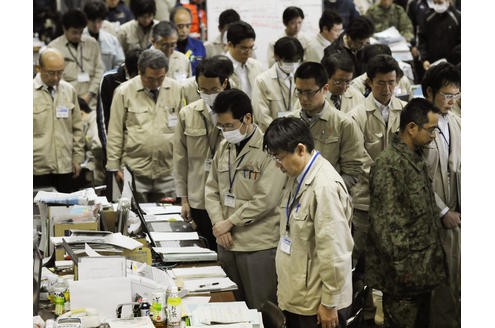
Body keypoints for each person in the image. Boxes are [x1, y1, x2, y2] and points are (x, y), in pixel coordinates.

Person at [263, 117, 354, 328]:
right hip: (300, 297)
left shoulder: (325, 187)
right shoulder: (298, 177)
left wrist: (330, 303)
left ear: (301, 149)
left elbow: (335, 251)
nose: (277, 165)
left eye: (280, 158)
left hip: (318, 305)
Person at [365, 98, 447, 327]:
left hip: (421, 271)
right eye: (430, 129)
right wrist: (404, 270)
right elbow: (386, 226)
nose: (434, 135)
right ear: (411, 128)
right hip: (403, 277)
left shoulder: (414, 157)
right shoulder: (389, 164)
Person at [204, 89, 286, 310]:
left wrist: (229, 223)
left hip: (257, 245)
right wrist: (218, 224)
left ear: (247, 118)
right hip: (225, 242)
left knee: (262, 309)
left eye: (229, 126)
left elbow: (266, 199)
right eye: (221, 127)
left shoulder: (269, 149)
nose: (225, 132)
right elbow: (211, 188)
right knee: (231, 309)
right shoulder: (224, 146)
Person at [106, 49, 183, 202]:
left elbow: (183, 130)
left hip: (167, 172)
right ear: (140, 72)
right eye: (150, 79)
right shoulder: (123, 92)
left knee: (166, 221)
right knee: (135, 221)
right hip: (134, 171)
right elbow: (115, 131)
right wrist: (114, 167)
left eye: (160, 78)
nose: (155, 83)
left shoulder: (177, 90)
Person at [174, 56, 234, 251]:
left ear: (224, 83)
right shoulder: (187, 114)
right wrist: (183, 199)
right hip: (198, 197)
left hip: (229, 198)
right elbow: (180, 160)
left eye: (213, 90)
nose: (208, 94)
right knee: (205, 249)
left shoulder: (239, 111)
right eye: (203, 90)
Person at [422, 62, 461, 327]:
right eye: (446, 95)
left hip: (455, 216)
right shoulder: (418, 124)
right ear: (428, 93)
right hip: (430, 216)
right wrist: (442, 211)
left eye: (455, 95)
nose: (451, 101)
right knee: (436, 289)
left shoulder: (457, 122)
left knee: (454, 281)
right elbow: (417, 176)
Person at [292, 62, 366, 192]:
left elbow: (353, 171)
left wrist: (328, 191)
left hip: (329, 198)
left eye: (309, 92)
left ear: (325, 89)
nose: (303, 98)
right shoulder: (290, 122)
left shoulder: (344, 124)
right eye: (299, 92)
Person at [33, 48, 84, 193]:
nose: (56, 78)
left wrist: (77, 158)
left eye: (60, 72)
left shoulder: (69, 90)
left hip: (65, 166)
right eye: (51, 73)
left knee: (65, 213)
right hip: (37, 169)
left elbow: (77, 128)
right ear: (39, 68)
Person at [350, 54, 408, 161]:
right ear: (370, 82)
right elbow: (358, 155)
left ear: (397, 81)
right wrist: (379, 175)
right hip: (370, 176)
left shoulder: (406, 110)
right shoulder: (356, 116)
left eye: (391, 83)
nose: (386, 89)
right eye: (381, 83)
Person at [48, 9, 104, 110]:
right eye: (74, 32)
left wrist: (89, 95)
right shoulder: (53, 48)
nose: (78, 36)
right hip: (65, 101)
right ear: (64, 29)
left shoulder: (92, 43)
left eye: (81, 32)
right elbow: (55, 79)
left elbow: (99, 71)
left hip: (91, 101)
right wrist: (75, 99)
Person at [252, 36, 303, 132]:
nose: (292, 64)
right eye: (288, 61)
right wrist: (280, 132)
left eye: (296, 60)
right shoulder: (262, 80)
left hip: (297, 132)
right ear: (276, 57)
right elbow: (262, 116)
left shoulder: (301, 78)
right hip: (272, 135)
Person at [225, 21, 264, 99]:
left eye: (251, 47)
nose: (249, 53)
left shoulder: (257, 66)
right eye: (244, 48)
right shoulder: (220, 69)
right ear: (230, 45)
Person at [418, 0, 461, 71]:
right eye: (435, 3)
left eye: (440, 3)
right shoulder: (428, 17)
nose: (437, 5)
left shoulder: (458, 17)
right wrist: (424, 59)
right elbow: (422, 39)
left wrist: (452, 60)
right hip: (432, 64)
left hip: (453, 65)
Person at [83, 0, 125, 72]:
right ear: (86, 19)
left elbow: (120, 64)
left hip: (107, 80)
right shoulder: (79, 39)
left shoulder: (112, 40)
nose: (96, 25)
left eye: (99, 21)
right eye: (93, 21)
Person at [170, 6, 206, 75]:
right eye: (180, 26)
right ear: (172, 24)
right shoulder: (167, 47)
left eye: (188, 26)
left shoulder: (199, 45)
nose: (184, 30)